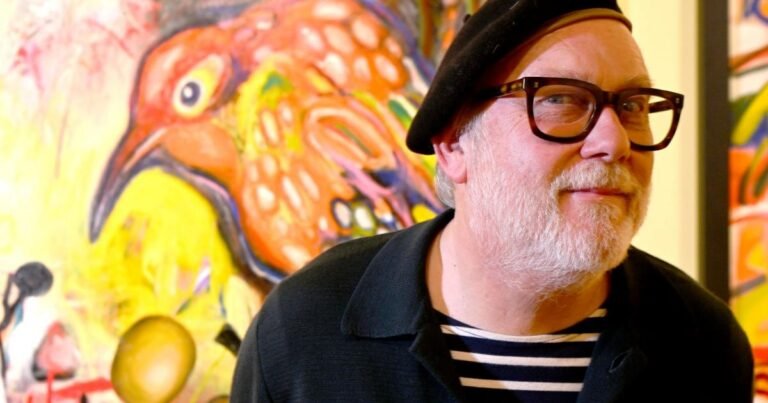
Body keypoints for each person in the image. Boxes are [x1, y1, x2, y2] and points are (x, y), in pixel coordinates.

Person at [231, 0, 754, 402]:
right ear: (455, 145)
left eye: (633, 106)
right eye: (560, 99)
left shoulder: (701, 343)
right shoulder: (306, 329)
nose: (615, 141)